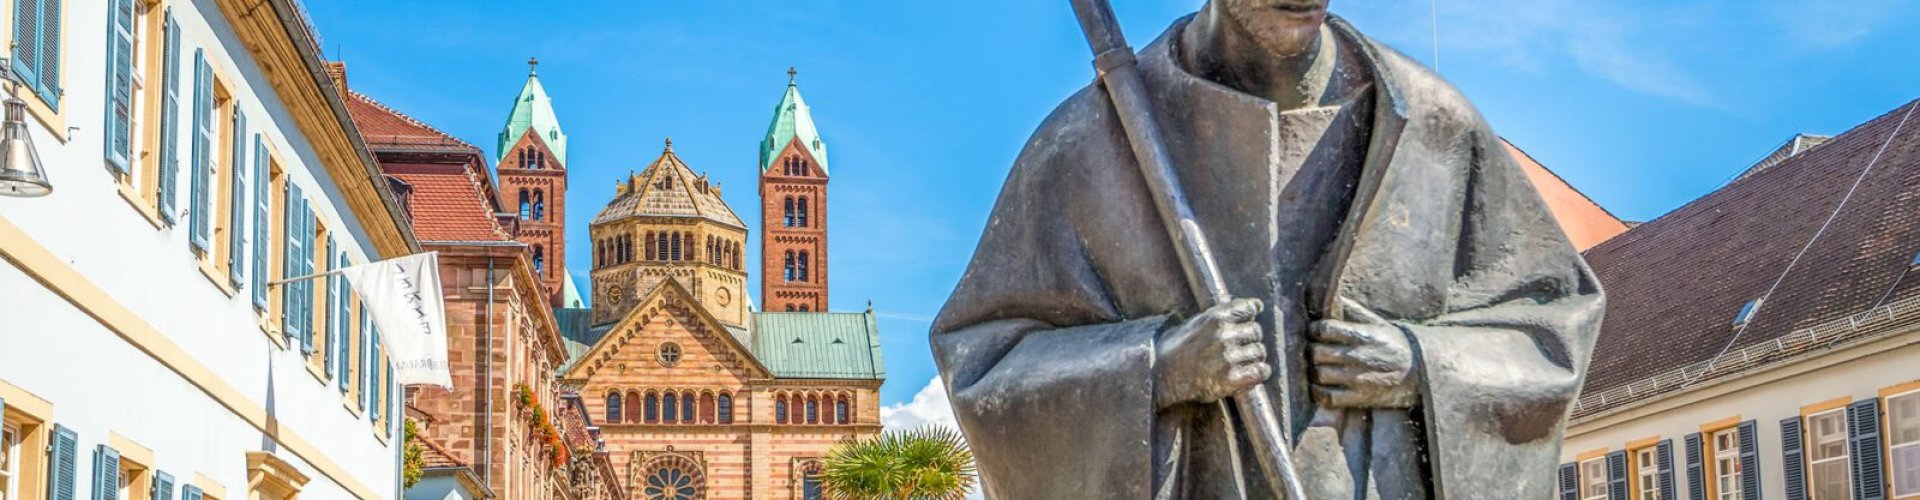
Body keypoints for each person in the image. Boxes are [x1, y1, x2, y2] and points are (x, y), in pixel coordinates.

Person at [930, 0, 1605, 498]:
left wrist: (1417, 364)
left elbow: (1552, 325)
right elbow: (985, 363)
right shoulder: (1086, 144)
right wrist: (1156, 366)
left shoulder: (1433, 128)